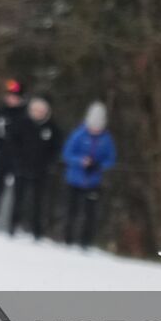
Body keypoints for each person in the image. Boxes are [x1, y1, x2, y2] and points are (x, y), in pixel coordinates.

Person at [61, 101, 116, 247]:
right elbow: (67, 153)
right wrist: (80, 161)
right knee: (72, 211)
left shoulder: (106, 139)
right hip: (74, 179)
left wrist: (98, 165)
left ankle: (85, 242)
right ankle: (68, 239)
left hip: (93, 181)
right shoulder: (79, 134)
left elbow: (111, 159)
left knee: (90, 213)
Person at [7, 96, 61, 239]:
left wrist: (49, 164)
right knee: (18, 198)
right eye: (35, 110)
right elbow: (13, 143)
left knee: (38, 201)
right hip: (21, 167)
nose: (38, 113)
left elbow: (55, 149)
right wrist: (17, 161)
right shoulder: (22, 124)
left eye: (41, 111)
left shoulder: (51, 128)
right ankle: (13, 225)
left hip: (40, 171)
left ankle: (37, 231)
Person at [0, 79, 26, 228]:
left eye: (14, 97)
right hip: (2, 156)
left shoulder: (24, 114)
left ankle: (14, 223)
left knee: (18, 192)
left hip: (18, 158)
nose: (11, 99)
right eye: (9, 96)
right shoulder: (1, 111)